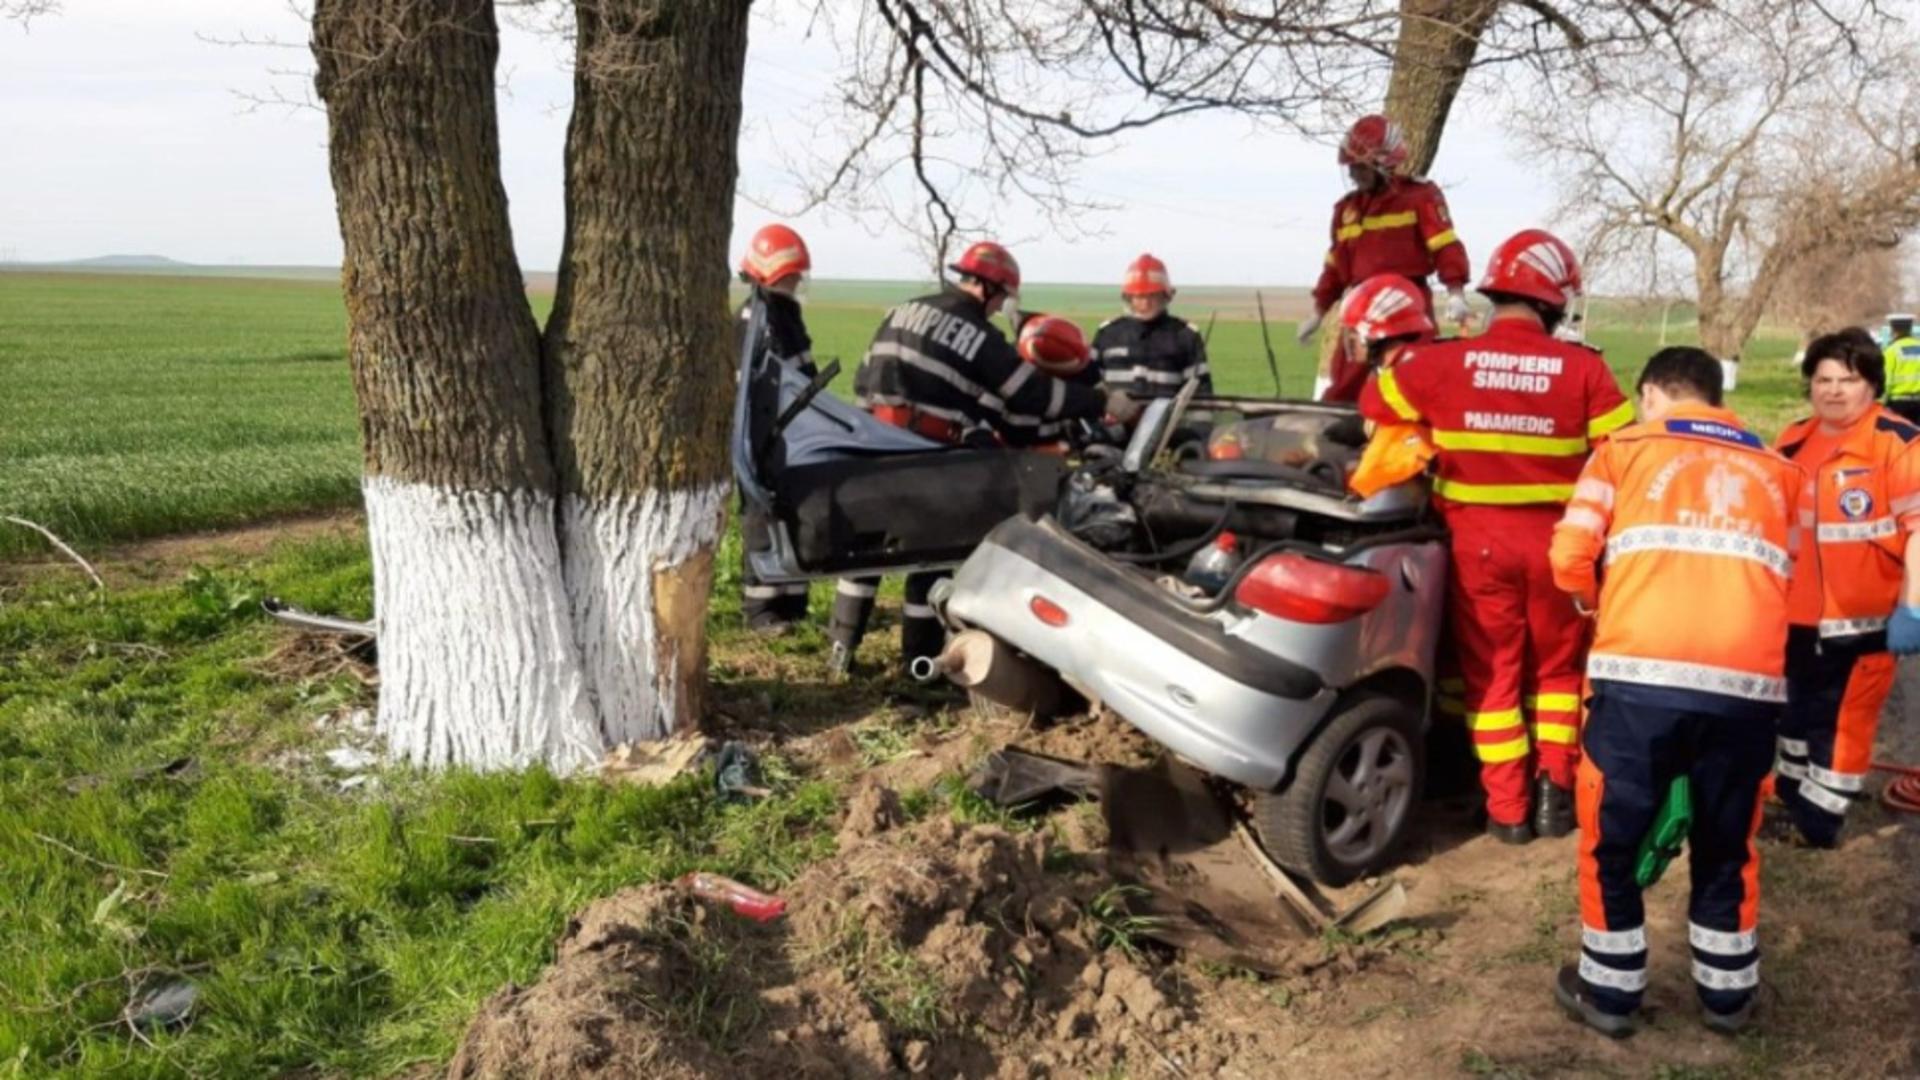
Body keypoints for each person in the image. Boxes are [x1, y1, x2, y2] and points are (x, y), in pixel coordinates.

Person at [1547, 347, 1803, 1039]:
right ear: (1716, 398)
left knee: (1613, 841)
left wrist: (1601, 605)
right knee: (1727, 843)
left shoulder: (1621, 452)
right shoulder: (1782, 471)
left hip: (1641, 680)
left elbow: (1569, 556)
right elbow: (1795, 578)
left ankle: (1609, 994)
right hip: (1746, 689)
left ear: (1654, 392)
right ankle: (1728, 999)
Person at [1358, 229, 1634, 844]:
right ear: (1555, 302)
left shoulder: (1440, 362)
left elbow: (1376, 401)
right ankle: (1553, 799)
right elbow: (1624, 452)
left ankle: (1507, 813)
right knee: (1560, 673)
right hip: (1563, 549)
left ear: (1495, 295)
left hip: (1476, 551)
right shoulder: (1585, 369)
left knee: (1494, 677)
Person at [828, 241, 1137, 676]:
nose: (999, 310)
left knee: (866, 552)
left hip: (872, 438)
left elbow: (868, 374)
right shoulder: (977, 334)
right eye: (1002, 300)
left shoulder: (904, 309)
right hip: (925, 448)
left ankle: (840, 652)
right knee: (928, 555)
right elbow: (1031, 394)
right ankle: (917, 665)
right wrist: (1099, 400)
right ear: (991, 290)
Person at [1773, 328, 1920, 847]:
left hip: (1865, 625)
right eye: (1823, 379)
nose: (1833, 390)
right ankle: (1790, 796)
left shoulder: (1897, 444)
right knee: (1792, 716)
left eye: (1848, 380)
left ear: (1872, 385)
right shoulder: (1792, 441)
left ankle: (1819, 821)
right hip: (1793, 617)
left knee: (1841, 726)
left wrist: (1914, 609)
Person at [1301, 113, 1472, 402]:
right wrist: (1318, 311)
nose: (1354, 174)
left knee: (1418, 378)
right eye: (1350, 167)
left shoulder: (1419, 197)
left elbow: (1444, 245)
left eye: (1360, 167)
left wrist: (1456, 291)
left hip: (1408, 303)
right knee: (1344, 386)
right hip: (1360, 307)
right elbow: (1335, 267)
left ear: (1385, 163)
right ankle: (1335, 439)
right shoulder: (1347, 210)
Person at [736, 223, 815, 633]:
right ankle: (762, 612)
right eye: (793, 275)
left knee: (778, 513)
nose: (797, 282)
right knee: (763, 518)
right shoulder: (771, 316)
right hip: (769, 435)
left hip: (772, 433)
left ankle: (791, 604)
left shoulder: (764, 311)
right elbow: (799, 373)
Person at [1339, 273, 1438, 498]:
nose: (1349, 340)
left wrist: (1363, 425)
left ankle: (1361, 497)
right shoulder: (1391, 367)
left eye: (1354, 332)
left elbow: (1378, 407)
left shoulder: (1410, 370)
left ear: (1372, 335)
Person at [1090, 253, 1211, 399]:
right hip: (1112, 421)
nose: (1145, 303)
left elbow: (1200, 396)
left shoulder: (1186, 336)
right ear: (1129, 297)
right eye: (1139, 297)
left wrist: (1195, 423)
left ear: (1165, 296)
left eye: (1152, 296)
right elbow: (1090, 388)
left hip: (1170, 422)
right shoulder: (1107, 334)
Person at [1881, 313, 1920, 424]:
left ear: (1893, 330)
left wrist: (1880, 403)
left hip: (1898, 404)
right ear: (1910, 329)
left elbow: (1886, 381)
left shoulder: (1891, 351)